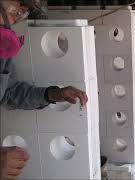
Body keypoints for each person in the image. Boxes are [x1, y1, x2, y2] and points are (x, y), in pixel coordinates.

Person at [0, 1, 88, 179]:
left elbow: (9, 92)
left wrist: (53, 94)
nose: (15, 20)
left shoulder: (3, 53)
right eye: (13, 11)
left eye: (21, 12)